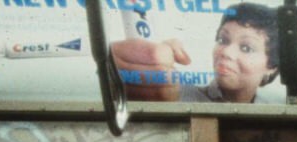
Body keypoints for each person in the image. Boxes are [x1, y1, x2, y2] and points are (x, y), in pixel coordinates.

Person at [110, 3, 279, 104]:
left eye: (246, 48)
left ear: (271, 66)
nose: (226, 52)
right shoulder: (178, 96)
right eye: (223, 40)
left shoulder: (277, 110)